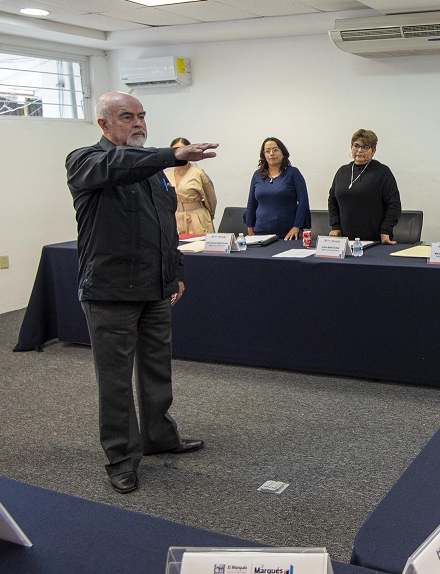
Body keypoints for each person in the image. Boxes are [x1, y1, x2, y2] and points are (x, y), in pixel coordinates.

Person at [66, 91, 217, 494]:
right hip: (109, 292)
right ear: (103, 124)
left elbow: (165, 226)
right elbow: (120, 164)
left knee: (156, 369)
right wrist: (176, 155)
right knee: (114, 381)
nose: (138, 123)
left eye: (142, 116)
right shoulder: (86, 160)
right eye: (127, 116)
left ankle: (158, 437)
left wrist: (176, 273)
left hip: (155, 289)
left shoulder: (151, 169)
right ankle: (121, 457)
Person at [328, 129, 401, 243]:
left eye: (365, 147)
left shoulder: (382, 172)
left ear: (373, 150)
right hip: (344, 240)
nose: (359, 150)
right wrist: (335, 226)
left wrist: (386, 230)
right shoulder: (342, 172)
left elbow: (394, 204)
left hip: (375, 240)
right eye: (356, 146)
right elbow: (332, 200)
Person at [243, 137, 311, 240]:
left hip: (288, 234)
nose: (271, 153)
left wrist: (297, 226)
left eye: (275, 150)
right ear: (264, 155)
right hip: (260, 233)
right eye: (267, 151)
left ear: (283, 153)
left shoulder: (293, 173)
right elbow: (251, 204)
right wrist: (250, 229)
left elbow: (303, 201)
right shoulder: (257, 175)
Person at [166, 137, 217, 234]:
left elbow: (211, 199)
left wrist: (208, 216)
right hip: (175, 218)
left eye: (182, 150)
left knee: (198, 246)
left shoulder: (198, 173)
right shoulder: (167, 175)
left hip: (197, 217)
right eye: (175, 150)